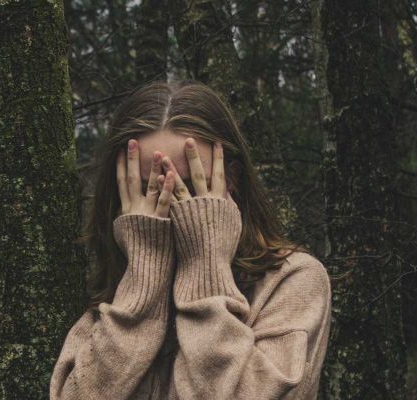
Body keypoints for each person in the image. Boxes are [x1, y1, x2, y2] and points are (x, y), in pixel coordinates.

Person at [49, 80, 332, 399]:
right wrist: (142, 284)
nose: (166, 203)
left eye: (188, 186)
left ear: (230, 178)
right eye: (147, 188)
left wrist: (205, 263)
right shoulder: (111, 287)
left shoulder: (293, 280)